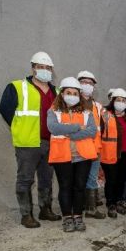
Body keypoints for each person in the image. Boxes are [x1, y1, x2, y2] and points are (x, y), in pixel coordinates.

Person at [0, 51, 61, 228]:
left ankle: (45, 209)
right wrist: (19, 127)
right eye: (41, 67)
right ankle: (26, 214)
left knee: (46, 179)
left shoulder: (56, 92)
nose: (45, 70)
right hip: (27, 143)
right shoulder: (17, 87)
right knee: (25, 179)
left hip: (50, 143)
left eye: (48, 68)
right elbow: (5, 109)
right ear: (33, 68)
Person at [47, 77, 97, 232]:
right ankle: (67, 217)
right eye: (68, 92)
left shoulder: (87, 112)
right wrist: (77, 127)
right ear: (62, 93)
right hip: (62, 156)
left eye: (75, 93)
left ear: (79, 95)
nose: (72, 95)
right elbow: (53, 128)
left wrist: (71, 134)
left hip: (82, 156)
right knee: (65, 186)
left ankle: (78, 216)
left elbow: (92, 130)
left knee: (80, 187)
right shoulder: (53, 111)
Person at [100, 88, 126, 218]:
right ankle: (111, 203)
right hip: (110, 153)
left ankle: (119, 200)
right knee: (111, 180)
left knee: (121, 179)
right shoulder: (105, 115)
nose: (120, 102)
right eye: (118, 100)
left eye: (123, 100)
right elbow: (99, 134)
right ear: (113, 101)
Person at [77, 70, 106, 220]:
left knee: (92, 177)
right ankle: (79, 205)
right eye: (84, 82)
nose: (87, 86)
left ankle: (91, 208)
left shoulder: (97, 106)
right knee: (79, 178)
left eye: (90, 83)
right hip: (79, 148)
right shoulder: (72, 102)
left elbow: (102, 126)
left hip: (95, 148)